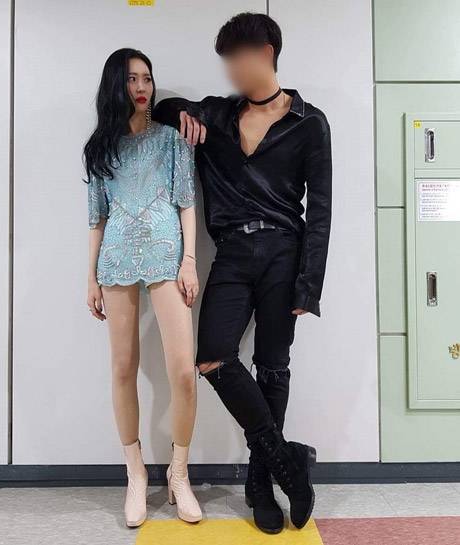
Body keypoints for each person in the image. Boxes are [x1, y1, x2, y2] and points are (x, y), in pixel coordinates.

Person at [153, 12, 332, 534]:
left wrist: (309, 284)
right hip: (231, 252)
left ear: (266, 53)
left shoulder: (309, 122)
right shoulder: (216, 113)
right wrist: (180, 111)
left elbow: (321, 208)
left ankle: (260, 482)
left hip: (284, 252)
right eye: (225, 60)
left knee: (273, 365)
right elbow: (163, 110)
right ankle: (287, 462)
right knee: (212, 356)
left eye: (237, 57)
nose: (230, 69)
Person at [84, 48, 202, 527]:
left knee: (183, 372)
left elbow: (186, 203)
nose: (141, 87)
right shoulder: (100, 149)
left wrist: (189, 261)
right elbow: (97, 218)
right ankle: (135, 473)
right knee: (122, 368)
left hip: (168, 258)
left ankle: (179, 473)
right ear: (116, 84)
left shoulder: (171, 140)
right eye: (132, 79)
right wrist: (90, 277)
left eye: (147, 79)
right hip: (115, 259)